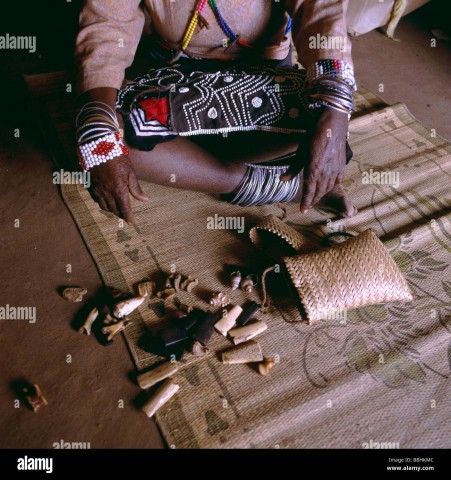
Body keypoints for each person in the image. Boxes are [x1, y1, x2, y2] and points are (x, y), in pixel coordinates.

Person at [75, 0, 357, 224]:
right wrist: (99, 131)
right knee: (107, 137)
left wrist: (334, 111)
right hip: (178, 78)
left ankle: (199, 166)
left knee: (326, 121)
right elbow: (107, 26)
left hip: (266, 78)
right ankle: (278, 186)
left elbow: (322, 10)